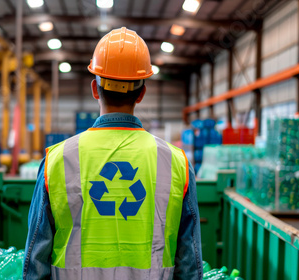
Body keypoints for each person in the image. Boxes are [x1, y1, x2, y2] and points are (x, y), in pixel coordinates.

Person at [23, 27, 203, 280]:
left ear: (95, 90)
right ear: (141, 93)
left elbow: (36, 261)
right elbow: (189, 264)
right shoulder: (177, 163)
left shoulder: (58, 159)